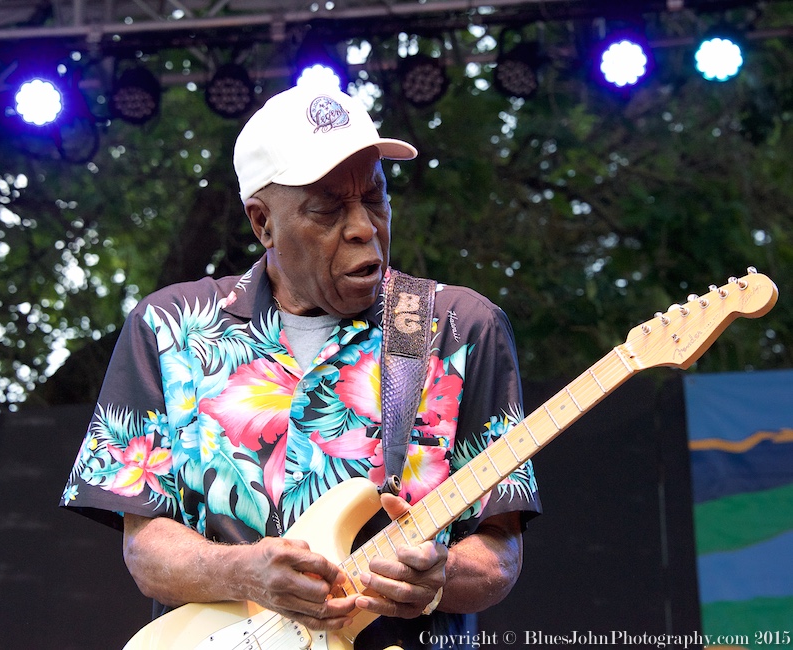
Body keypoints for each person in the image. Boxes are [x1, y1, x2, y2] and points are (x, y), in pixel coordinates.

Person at [61, 82, 541, 650]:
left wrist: (441, 579)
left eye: (375, 198)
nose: (364, 226)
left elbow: (500, 552)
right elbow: (145, 548)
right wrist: (244, 571)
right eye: (329, 208)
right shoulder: (169, 327)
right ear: (262, 222)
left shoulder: (461, 326)